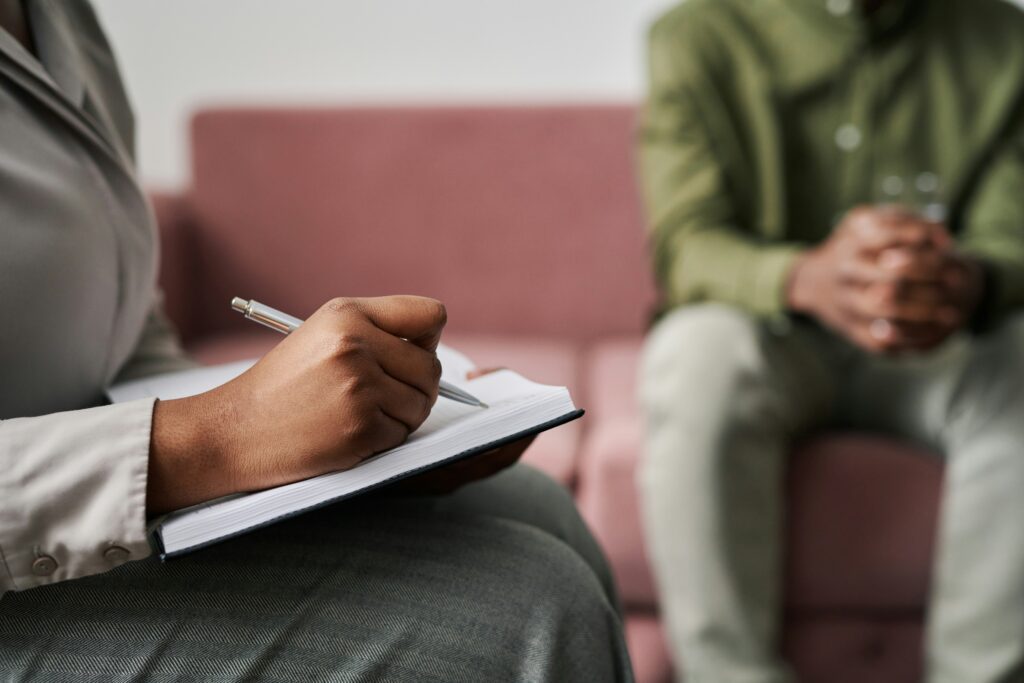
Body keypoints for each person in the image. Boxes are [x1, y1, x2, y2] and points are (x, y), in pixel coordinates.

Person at [0, 1, 634, 680]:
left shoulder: (62, 17)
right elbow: (209, 434)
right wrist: (222, 438)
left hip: (121, 504)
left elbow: (123, 328)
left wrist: (323, 450)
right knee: (532, 608)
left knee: (541, 506)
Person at [637, 0, 1024, 681]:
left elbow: (1009, 242)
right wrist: (808, 278)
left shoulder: (1007, 40)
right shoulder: (696, 36)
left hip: (942, 345)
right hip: (772, 335)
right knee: (696, 353)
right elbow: (687, 245)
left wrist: (957, 279)